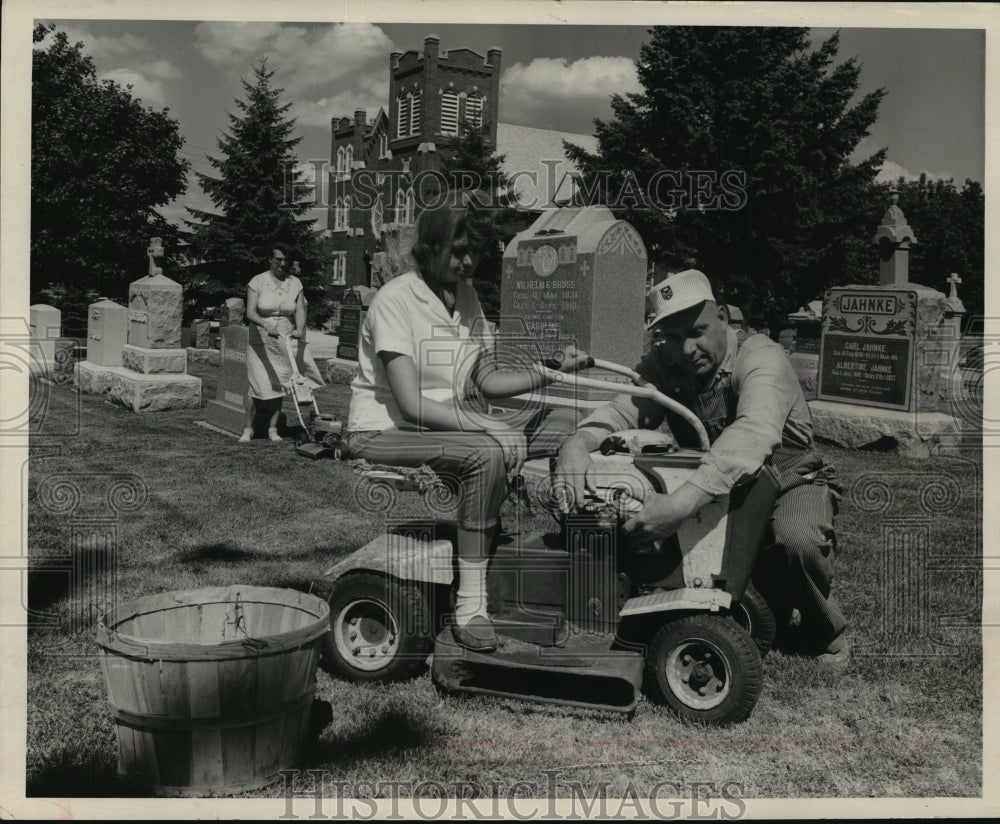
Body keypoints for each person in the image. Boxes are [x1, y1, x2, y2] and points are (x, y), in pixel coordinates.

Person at [554, 269, 849, 666]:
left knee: (797, 540)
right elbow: (626, 407)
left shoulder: (760, 356)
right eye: (672, 338)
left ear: (724, 318)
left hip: (788, 478)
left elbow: (752, 434)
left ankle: (824, 630)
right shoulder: (664, 363)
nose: (686, 349)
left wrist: (679, 505)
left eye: (697, 331)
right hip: (715, 489)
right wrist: (578, 443)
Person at [343, 193, 588, 652]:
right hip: (382, 431)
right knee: (486, 451)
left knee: (565, 423)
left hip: (450, 427)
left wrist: (551, 368)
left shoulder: (468, 298)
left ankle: (571, 556)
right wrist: (489, 426)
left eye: (475, 250)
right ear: (431, 245)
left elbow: (488, 379)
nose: (469, 261)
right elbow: (413, 405)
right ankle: (470, 605)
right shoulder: (396, 300)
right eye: (459, 250)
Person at [240, 245, 324, 443]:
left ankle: (272, 429)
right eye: (278, 260)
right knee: (257, 384)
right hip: (260, 337)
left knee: (280, 383)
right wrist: (265, 323)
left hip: (286, 336)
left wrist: (299, 328)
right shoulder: (257, 281)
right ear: (270, 260)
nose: (282, 264)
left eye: (285, 260)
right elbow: (250, 312)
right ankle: (248, 429)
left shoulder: (295, 283)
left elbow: (301, 311)